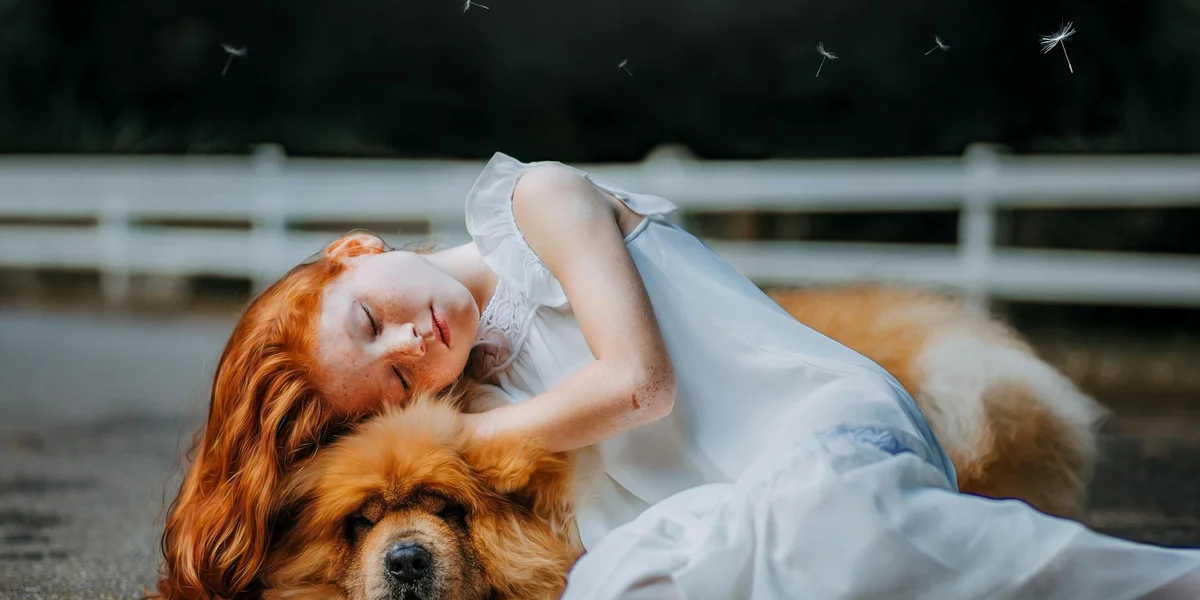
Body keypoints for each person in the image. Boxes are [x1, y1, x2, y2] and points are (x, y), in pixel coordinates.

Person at [156, 152, 1200, 600]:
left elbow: (640, 388)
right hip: (722, 498)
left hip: (819, 429)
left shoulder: (539, 205)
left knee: (827, 521)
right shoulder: (473, 380)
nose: (408, 347)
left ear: (354, 250)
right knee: (618, 586)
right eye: (392, 388)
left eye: (370, 317)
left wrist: (455, 443)